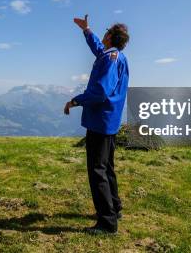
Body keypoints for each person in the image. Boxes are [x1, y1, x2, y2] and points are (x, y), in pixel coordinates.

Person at [64, 15, 130, 234]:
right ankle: (115, 207)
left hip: (100, 122)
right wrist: (87, 31)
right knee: (107, 166)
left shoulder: (109, 60)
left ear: (110, 36)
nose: (104, 35)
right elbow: (99, 49)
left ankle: (107, 222)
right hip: (110, 121)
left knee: (97, 171)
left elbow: (100, 91)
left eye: (106, 32)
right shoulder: (117, 56)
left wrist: (76, 100)